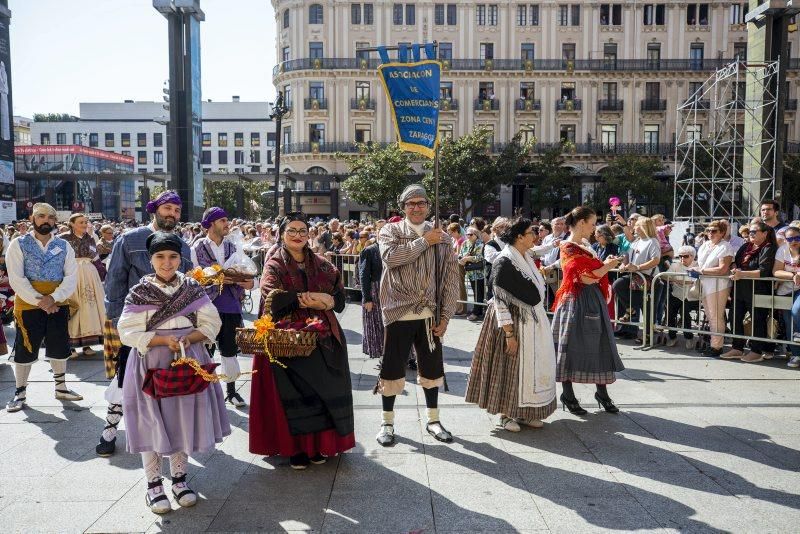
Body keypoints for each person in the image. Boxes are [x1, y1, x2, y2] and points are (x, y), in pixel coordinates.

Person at [118, 231, 230, 514]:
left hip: (186, 358)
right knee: (151, 421)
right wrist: (161, 341)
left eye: (172, 257)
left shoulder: (192, 288)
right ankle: (153, 484)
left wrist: (188, 339)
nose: (167, 263)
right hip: (151, 362)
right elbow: (127, 331)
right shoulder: (139, 291)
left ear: (181, 258)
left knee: (182, 418)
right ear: (150, 259)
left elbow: (211, 322)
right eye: (160, 257)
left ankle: (179, 480)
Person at [249, 212, 354, 469]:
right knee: (296, 393)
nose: (298, 235)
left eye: (302, 231)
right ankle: (296, 449)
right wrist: (307, 298)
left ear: (309, 235)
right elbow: (272, 295)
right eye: (292, 231)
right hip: (289, 339)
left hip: (324, 336)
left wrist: (327, 300)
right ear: (282, 234)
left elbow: (339, 297)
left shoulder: (323, 263)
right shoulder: (274, 264)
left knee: (324, 391)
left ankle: (318, 446)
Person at [95, 190, 193, 457]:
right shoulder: (129, 239)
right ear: (154, 209)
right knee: (124, 377)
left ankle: (165, 436)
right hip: (136, 327)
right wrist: (118, 324)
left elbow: (188, 287)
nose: (172, 214)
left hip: (172, 329)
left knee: (165, 383)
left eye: (176, 210)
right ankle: (110, 430)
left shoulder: (183, 246)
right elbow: (114, 283)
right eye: (168, 208)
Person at [375, 184, 459, 446]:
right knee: (391, 370)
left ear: (428, 207)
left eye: (421, 202)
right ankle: (386, 423)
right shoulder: (390, 231)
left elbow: (449, 280)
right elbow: (391, 259)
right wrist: (424, 242)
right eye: (410, 203)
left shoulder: (443, 238)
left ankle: (433, 420)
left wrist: (445, 317)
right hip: (398, 312)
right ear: (403, 207)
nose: (416, 207)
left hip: (429, 314)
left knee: (432, 369)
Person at [465, 217, 557, 431]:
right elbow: (500, 301)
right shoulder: (504, 261)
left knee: (531, 368)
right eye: (530, 233)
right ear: (519, 237)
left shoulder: (524, 254)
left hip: (532, 319)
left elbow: (540, 251)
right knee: (510, 368)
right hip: (511, 321)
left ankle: (526, 413)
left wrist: (555, 244)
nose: (535, 236)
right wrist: (509, 333)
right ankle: (506, 415)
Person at [5, 203, 81, 412]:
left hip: (57, 303)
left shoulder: (64, 246)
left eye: (50, 217)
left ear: (55, 221)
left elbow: (71, 276)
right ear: (32, 218)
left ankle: (61, 387)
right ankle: (20, 392)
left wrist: (54, 298)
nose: (45, 220)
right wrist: (41, 301)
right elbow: (16, 279)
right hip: (29, 303)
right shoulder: (18, 244)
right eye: (41, 216)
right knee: (25, 347)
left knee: (59, 345)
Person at [552, 206, 624, 415]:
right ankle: (568, 393)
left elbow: (590, 273)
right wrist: (607, 267)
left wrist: (604, 266)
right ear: (581, 222)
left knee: (598, 344)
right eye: (592, 224)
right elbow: (583, 278)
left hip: (591, 298)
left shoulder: (584, 245)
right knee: (571, 346)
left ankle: (601, 392)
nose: (594, 228)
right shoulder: (568, 247)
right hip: (577, 298)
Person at [191, 207, 255, 408]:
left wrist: (250, 283)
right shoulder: (196, 248)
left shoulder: (234, 246)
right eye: (223, 220)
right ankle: (205, 391)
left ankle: (231, 391)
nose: (228, 224)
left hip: (230, 305)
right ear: (211, 224)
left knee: (229, 350)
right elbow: (193, 278)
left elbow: (246, 271)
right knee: (205, 351)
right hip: (206, 306)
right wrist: (214, 279)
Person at [722, 221, 779, 362]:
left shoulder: (769, 247)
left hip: (758, 289)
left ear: (765, 233)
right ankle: (737, 347)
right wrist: (735, 268)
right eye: (750, 232)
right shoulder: (745, 246)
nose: (750, 234)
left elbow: (764, 271)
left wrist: (742, 273)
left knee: (757, 319)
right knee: (735, 317)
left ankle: (756, 351)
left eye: (754, 231)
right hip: (740, 287)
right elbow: (735, 262)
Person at [61, 213, 106, 357]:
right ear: (72, 224)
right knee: (73, 307)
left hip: (89, 275)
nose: (85, 224)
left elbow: (96, 258)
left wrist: (103, 274)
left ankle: (87, 344)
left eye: (86, 222)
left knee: (89, 308)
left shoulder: (91, 238)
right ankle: (70, 346)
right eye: (81, 222)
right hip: (71, 274)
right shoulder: (63, 239)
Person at [612, 217, 661, 342]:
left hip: (649, 278)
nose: (634, 227)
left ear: (644, 227)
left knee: (648, 309)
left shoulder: (652, 241)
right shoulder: (636, 241)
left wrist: (638, 267)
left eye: (637, 225)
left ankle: (648, 337)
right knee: (618, 285)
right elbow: (627, 256)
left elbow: (655, 260)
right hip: (636, 277)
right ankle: (631, 310)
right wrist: (624, 264)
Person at [691, 220, 734, 356]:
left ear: (722, 233)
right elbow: (700, 264)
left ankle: (716, 346)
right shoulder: (704, 245)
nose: (710, 233)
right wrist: (697, 269)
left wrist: (701, 271)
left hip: (718, 285)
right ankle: (713, 344)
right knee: (709, 316)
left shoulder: (725, 246)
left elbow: (723, 269)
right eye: (708, 230)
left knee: (716, 316)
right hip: (705, 284)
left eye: (714, 231)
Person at [773, 225, 800, 368]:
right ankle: (796, 354)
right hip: (785, 290)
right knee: (789, 323)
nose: (794, 241)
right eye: (790, 238)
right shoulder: (782, 250)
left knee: (797, 310)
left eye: (797, 238)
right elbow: (776, 271)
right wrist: (792, 275)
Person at [665, 246, 700, 348]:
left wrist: (679, 281)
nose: (682, 259)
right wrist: (675, 280)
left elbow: (694, 281)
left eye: (685, 256)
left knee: (684, 312)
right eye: (680, 256)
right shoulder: (676, 265)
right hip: (677, 294)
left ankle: (689, 337)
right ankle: (672, 337)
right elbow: (664, 275)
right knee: (670, 312)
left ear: (692, 256)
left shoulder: (697, 265)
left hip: (692, 296)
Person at [359, 239, 383, 359]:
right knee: (378, 324)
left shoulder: (397, 248)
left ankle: (408, 357)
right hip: (375, 293)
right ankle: (382, 355)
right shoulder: (369, 250)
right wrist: (367, 299)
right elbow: (363, 275)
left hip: (394, 293)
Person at [459, 227, 485, 321]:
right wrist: (462, 259)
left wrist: (467, 259)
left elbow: (480, 257)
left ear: (476, 235)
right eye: (467, 234)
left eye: (471, 234)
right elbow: (461, 254)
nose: (468, 236)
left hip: (478, 272)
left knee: (478, 292)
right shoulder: (465, 243)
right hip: (470, 272)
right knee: (475, 291)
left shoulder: (480, 243)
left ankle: (476, 312)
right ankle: (478, 310)